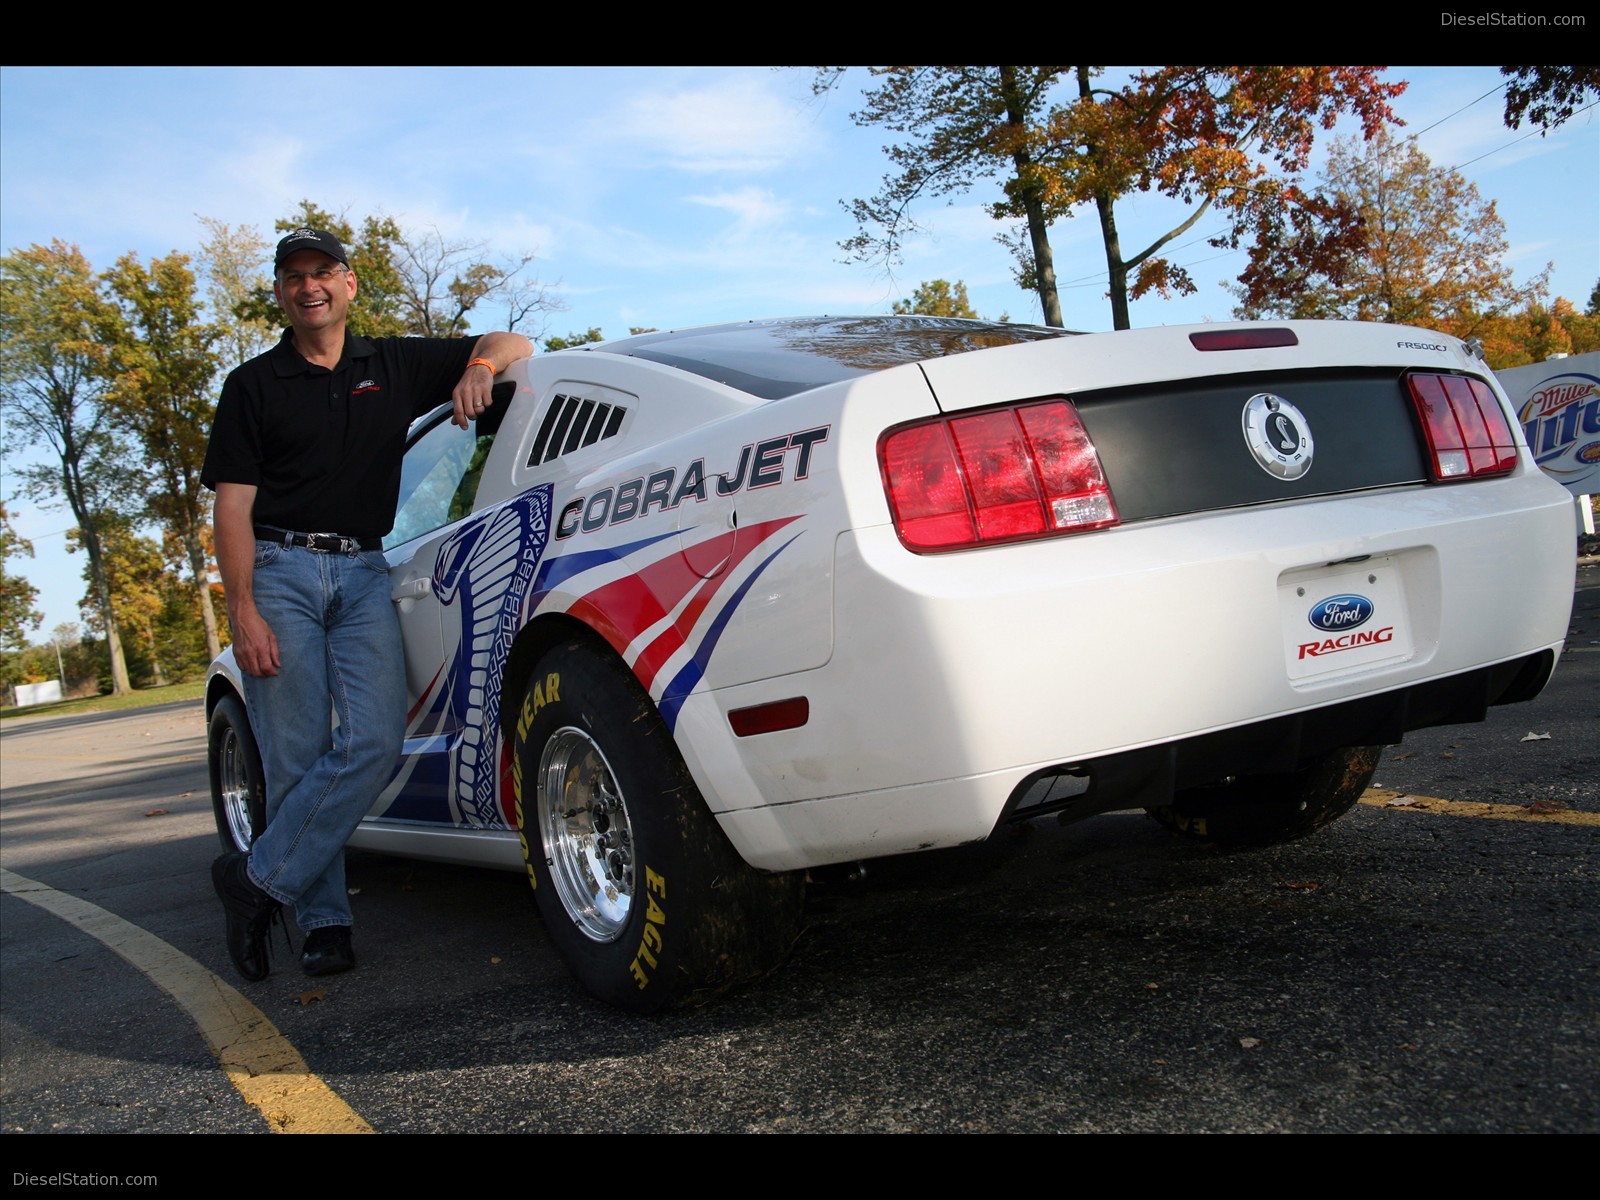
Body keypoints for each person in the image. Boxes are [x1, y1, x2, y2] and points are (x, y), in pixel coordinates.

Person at [201, 227, 532, 981]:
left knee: (376, 742)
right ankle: (321, 923)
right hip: (279, 568)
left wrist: (479, 366)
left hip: (360, 573)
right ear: (281, 293)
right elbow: (231, 509)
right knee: (293, 757)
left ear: (348, 285)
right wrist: (242, 610)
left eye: (323, 272)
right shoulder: (252, 386)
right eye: (294, 276)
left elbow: (513, 339)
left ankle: (254, 882)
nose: (309, 285)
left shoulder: (393, 362)